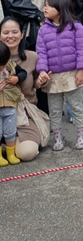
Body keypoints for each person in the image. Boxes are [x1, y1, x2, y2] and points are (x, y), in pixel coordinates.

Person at [35, 0, 83, 150]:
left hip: (73, 74)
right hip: (53, 77)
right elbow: (41, 53)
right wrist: (42, 71)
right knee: (55, 109)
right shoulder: (43, 30)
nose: (45, 8)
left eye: (49, 5)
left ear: (60, 8)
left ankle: (81, 136)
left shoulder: (76, 27)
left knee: (77, 106)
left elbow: (82, 50)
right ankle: (57, 138)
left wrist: (81, 70)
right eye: (44, 4)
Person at [0, 17, 50, 161]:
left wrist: (41, 82)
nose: (10, 36)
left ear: (22, 35)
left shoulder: (32, 57)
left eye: (15, 32)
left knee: (27, 152)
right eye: (6, 32)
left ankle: (11, 143)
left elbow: (36, 84)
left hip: (24, 115)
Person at [0, 41, 26, 165]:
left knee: (10, 131)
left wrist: (17, 78)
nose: (3, 67)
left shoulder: (10, 64)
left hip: (10, 104)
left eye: (4, 63)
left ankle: (11, 153)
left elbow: (23, 73)